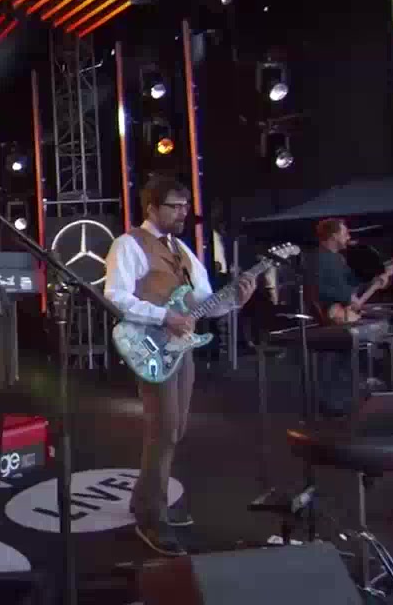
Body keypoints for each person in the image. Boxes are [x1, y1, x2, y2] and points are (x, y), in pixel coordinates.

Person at [103, 176, 256, 556]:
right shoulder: (129, 244)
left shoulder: (182, 250)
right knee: (164, 428)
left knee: (175, 429)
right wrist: (163, 316)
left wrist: (234, 299)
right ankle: (151, 515)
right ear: (151, 208)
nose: (183, 212)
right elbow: (115, 296)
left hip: (181, 347)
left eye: (185, 206)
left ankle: (144, 500)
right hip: (150, 345)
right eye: (174, 206)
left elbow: (203, 302)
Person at [309, 218, 393, 416]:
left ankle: (345, 400)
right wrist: (347, 297)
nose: (348, 236)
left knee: (344, 360)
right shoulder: (317, 259)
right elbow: (317, 290)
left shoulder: (338, 259)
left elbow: (351, 284)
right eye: (344, 232)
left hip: (341, 314)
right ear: (333, 235)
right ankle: (331, 404)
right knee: (332, 361)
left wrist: (376, 278)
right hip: (329, 318)